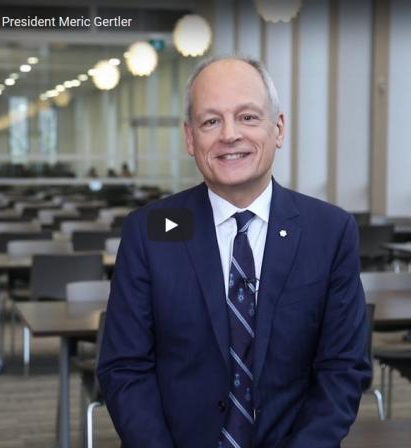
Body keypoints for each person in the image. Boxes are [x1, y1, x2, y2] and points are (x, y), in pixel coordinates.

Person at [98, 56, 370, 447]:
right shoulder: (151, 231)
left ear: (278, 129)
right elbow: (125, 368)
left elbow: (342, 369)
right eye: (211, 121)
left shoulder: (329, 231)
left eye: (247, 117)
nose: (229, 135)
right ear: (190, 138)